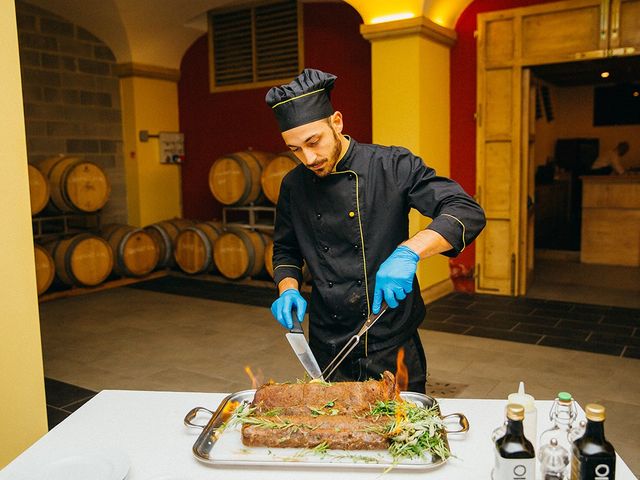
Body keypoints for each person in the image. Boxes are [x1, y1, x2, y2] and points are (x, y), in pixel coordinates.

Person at [265, 69, 486, 393]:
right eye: (295, 149)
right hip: (328, 341)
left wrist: (410, 251)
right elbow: (286, 248)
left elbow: (464, 210)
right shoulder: (293, 185)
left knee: (402, 434)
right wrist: (288, 288)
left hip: (391, 340)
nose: (308, 157)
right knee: (337, 435)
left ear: (336, 122)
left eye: (314, 142)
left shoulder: (393, 165)